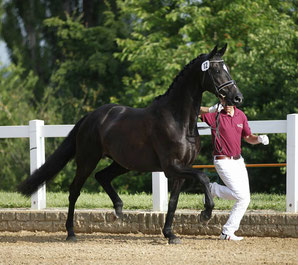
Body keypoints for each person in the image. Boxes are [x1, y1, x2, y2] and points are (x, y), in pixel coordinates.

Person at [200, 102, 269, 241]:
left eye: (230, 101)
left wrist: (259, 139)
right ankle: (226, 230)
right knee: (241, 196)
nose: (227, 104)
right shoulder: (216, 115)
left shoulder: (241, 115)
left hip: (238, 161)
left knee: (245, 198)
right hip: (222, 160)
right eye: (224, 101)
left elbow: (248, 137)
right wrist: (211, 109)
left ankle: (227, 231)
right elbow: (194, 109)